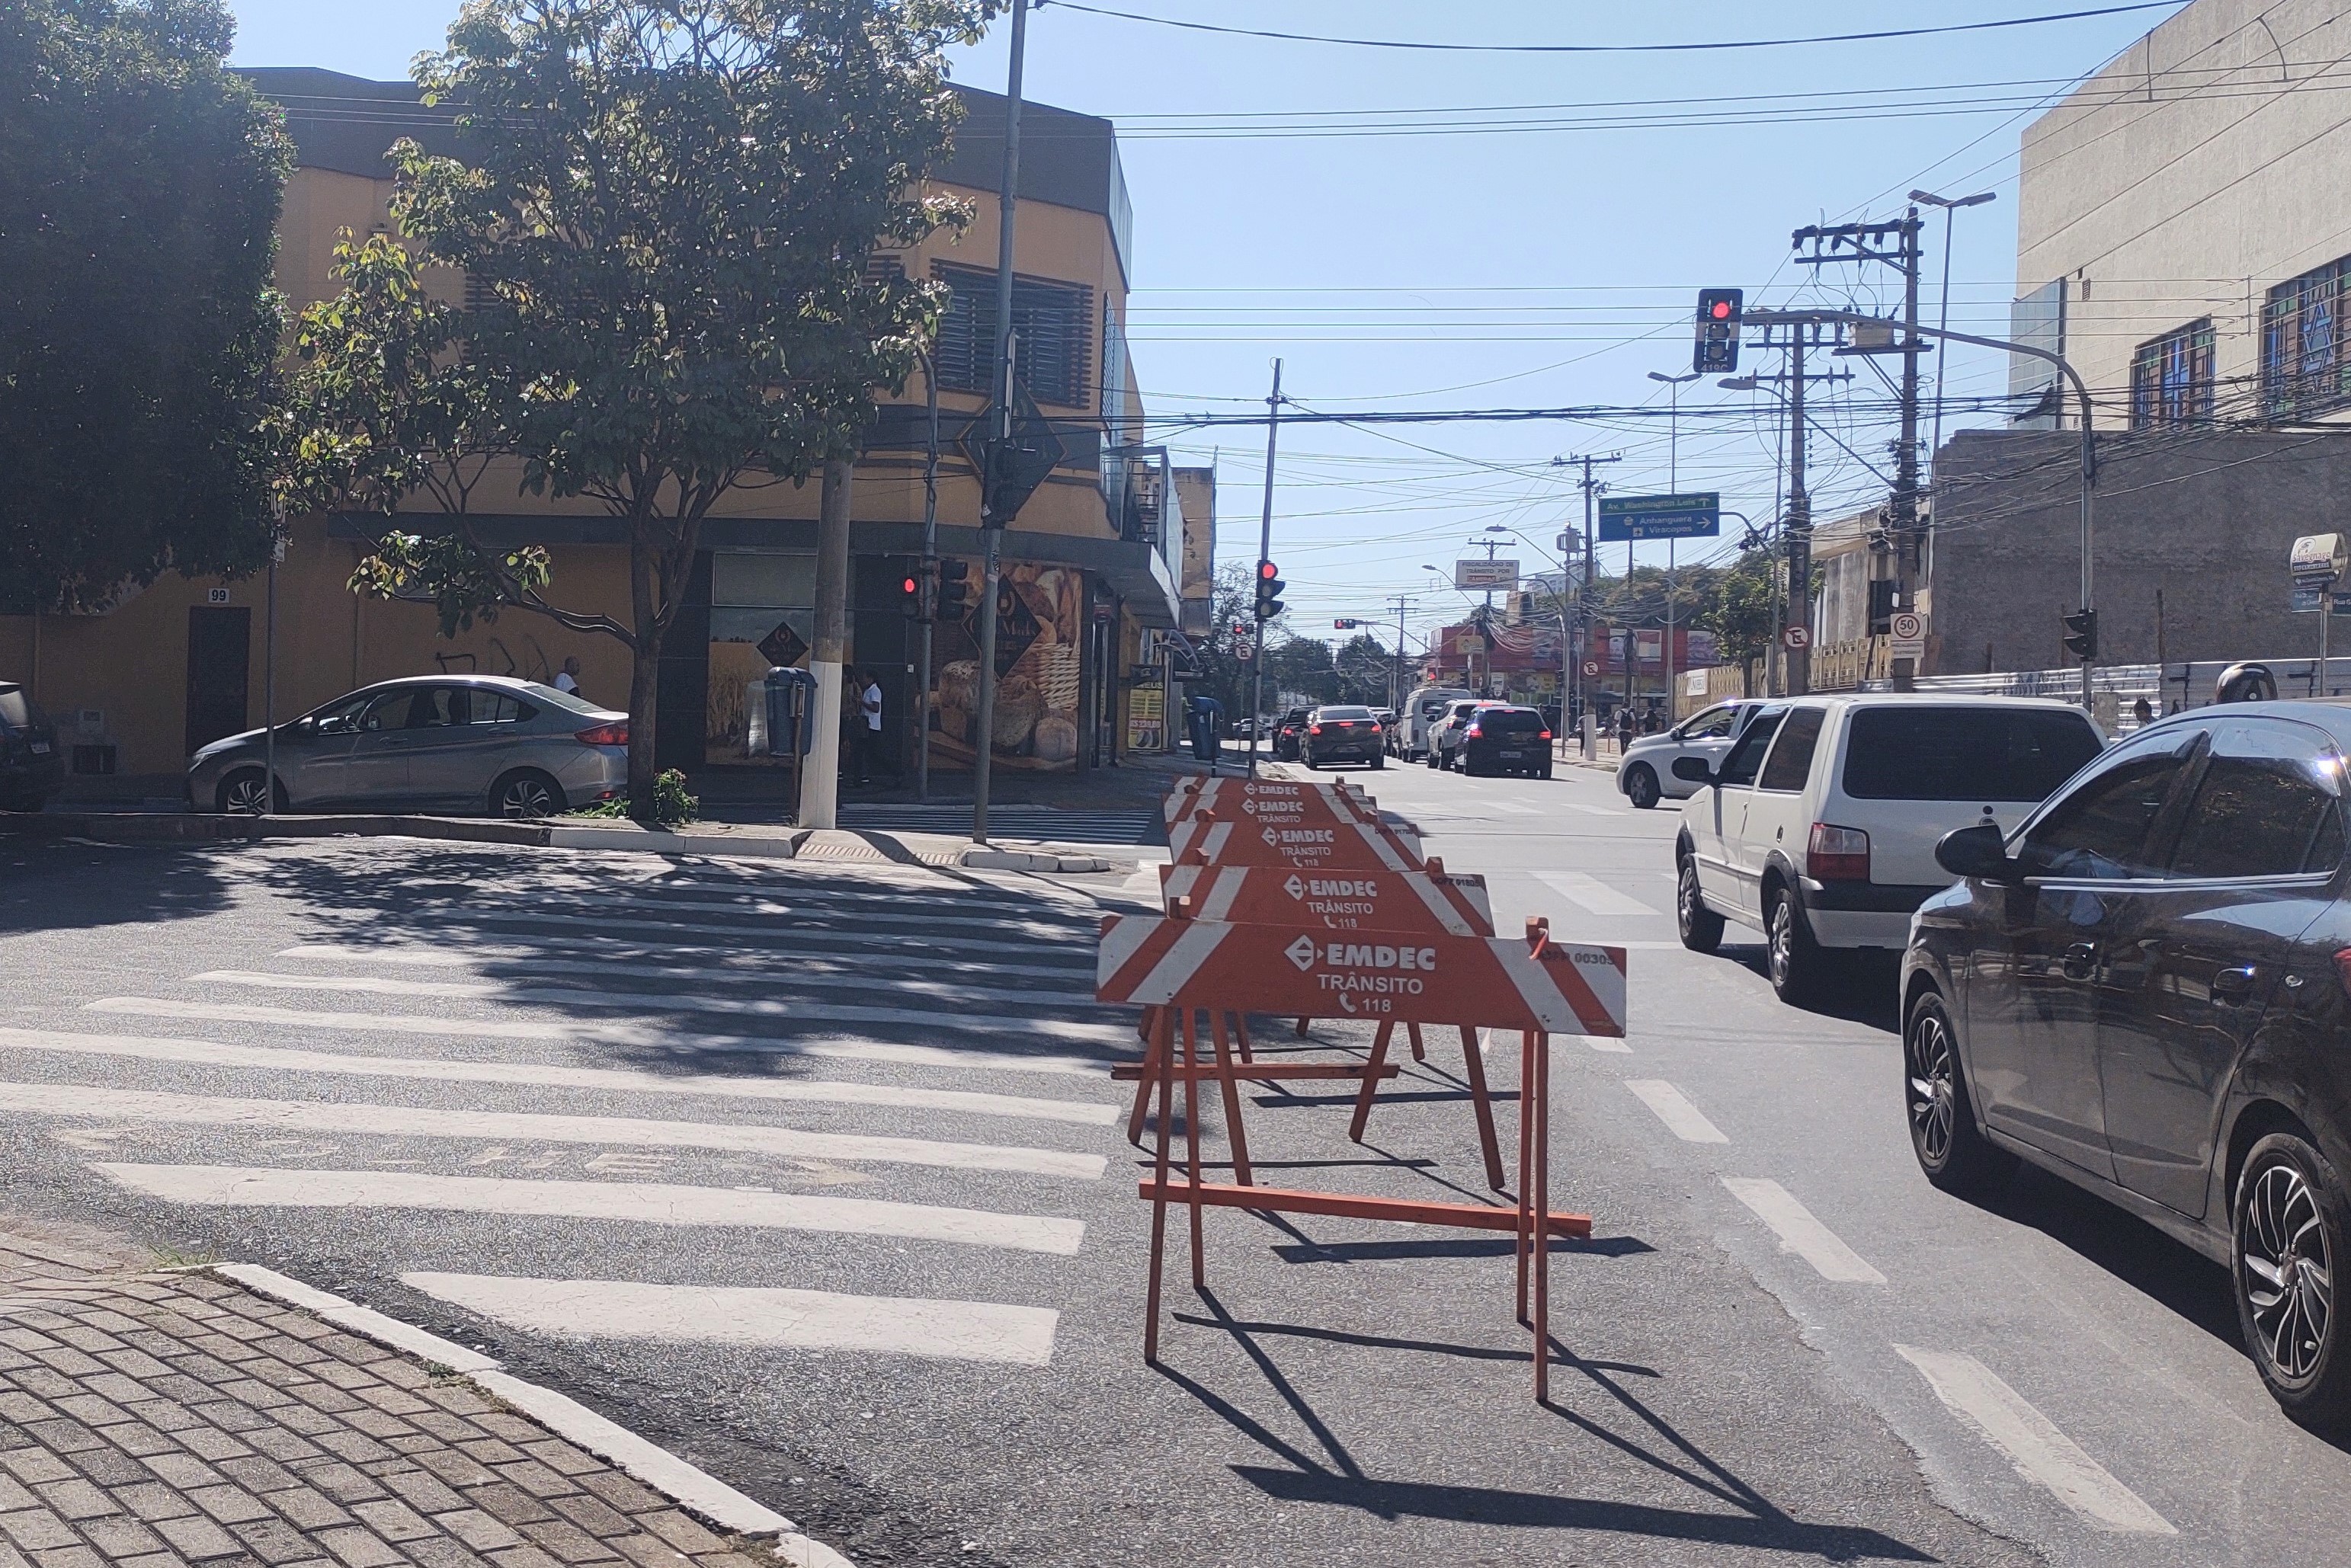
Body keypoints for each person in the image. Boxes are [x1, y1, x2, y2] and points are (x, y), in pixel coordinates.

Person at [858, 668, 884, 786]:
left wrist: (861, 703)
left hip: (871, 726)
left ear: (870, 678)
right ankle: (863, 775)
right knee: (865, 751)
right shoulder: (868, 690)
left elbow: (876, 708)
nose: (863, 680)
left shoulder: (875, 691)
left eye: (865, 677)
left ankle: (895, 772)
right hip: (866, 724)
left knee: (873, 753)